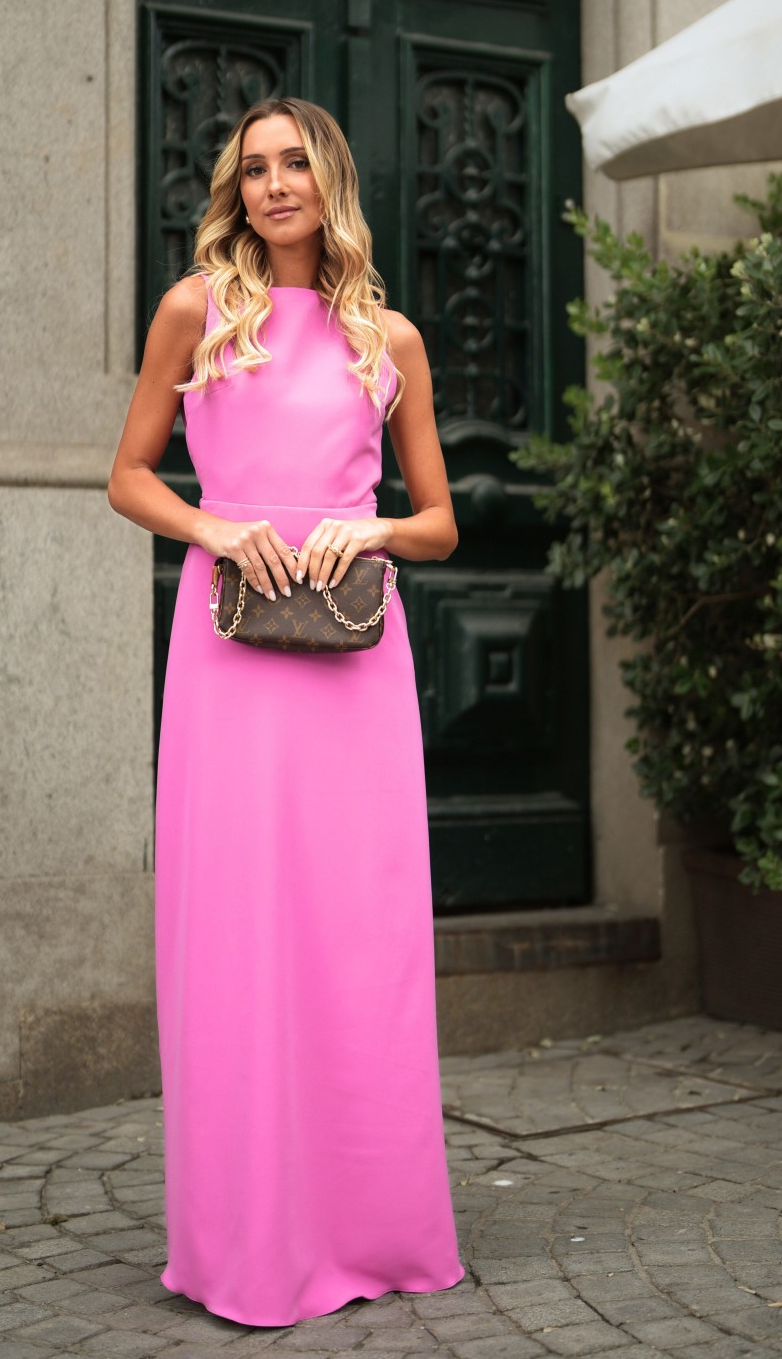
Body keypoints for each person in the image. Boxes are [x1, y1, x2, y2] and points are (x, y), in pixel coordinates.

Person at [108, 96, 466, 1327]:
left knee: (358, 937)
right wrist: (214, 528)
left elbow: (439, 522)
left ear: (329, 183)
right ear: (235, 190)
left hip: (353, 666)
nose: (272, 185)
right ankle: (246, 1243)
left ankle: (376, 1229)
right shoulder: (194, 312)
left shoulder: (388, 338)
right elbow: (128, 475)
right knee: (235, 935)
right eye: (252, 167)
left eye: (293, 164)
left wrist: (369, 531)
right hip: (230, 655)